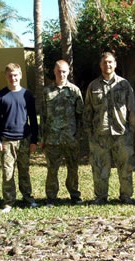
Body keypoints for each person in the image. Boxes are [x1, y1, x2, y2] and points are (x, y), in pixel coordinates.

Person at [84, 51, 135, 204]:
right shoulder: (93, 86)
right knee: (100, 168)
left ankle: (126, 196)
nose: (107, 65)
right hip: (100, 134)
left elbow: (131, 109)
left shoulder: (124, 85)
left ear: (115, 64)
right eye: (104, 62)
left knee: (125, 167)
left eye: (110, 62)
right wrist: (90, 133)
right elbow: (88, 110)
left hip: (122, 133)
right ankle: (101, 197)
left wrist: (131, 131)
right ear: (100, 65)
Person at [0, 63, 38, 213]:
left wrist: (34, 140)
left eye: (15, 75)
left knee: (24, 171)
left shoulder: (28, 95)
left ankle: (28, 199)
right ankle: (9, 202)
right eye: (10, 75)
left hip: (24, 138)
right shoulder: (0, 95)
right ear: (6, 76)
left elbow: (33, 119)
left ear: (20, 75)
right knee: (8, 173)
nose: (13, 78)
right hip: (7, 140)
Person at [39, 60, 84, 206]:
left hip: (70, 138)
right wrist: (42, 138)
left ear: (68, 72)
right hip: (52, 139)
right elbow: (43, 116)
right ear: (54, 72)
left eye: (64, 71)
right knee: (52, 170)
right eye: (59, 71)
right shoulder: (47, 92)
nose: (61, 74)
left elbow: (80, 115)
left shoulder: (74, 91)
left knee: (73, 169)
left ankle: (75, 196)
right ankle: (51, 198)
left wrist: (78, 136)